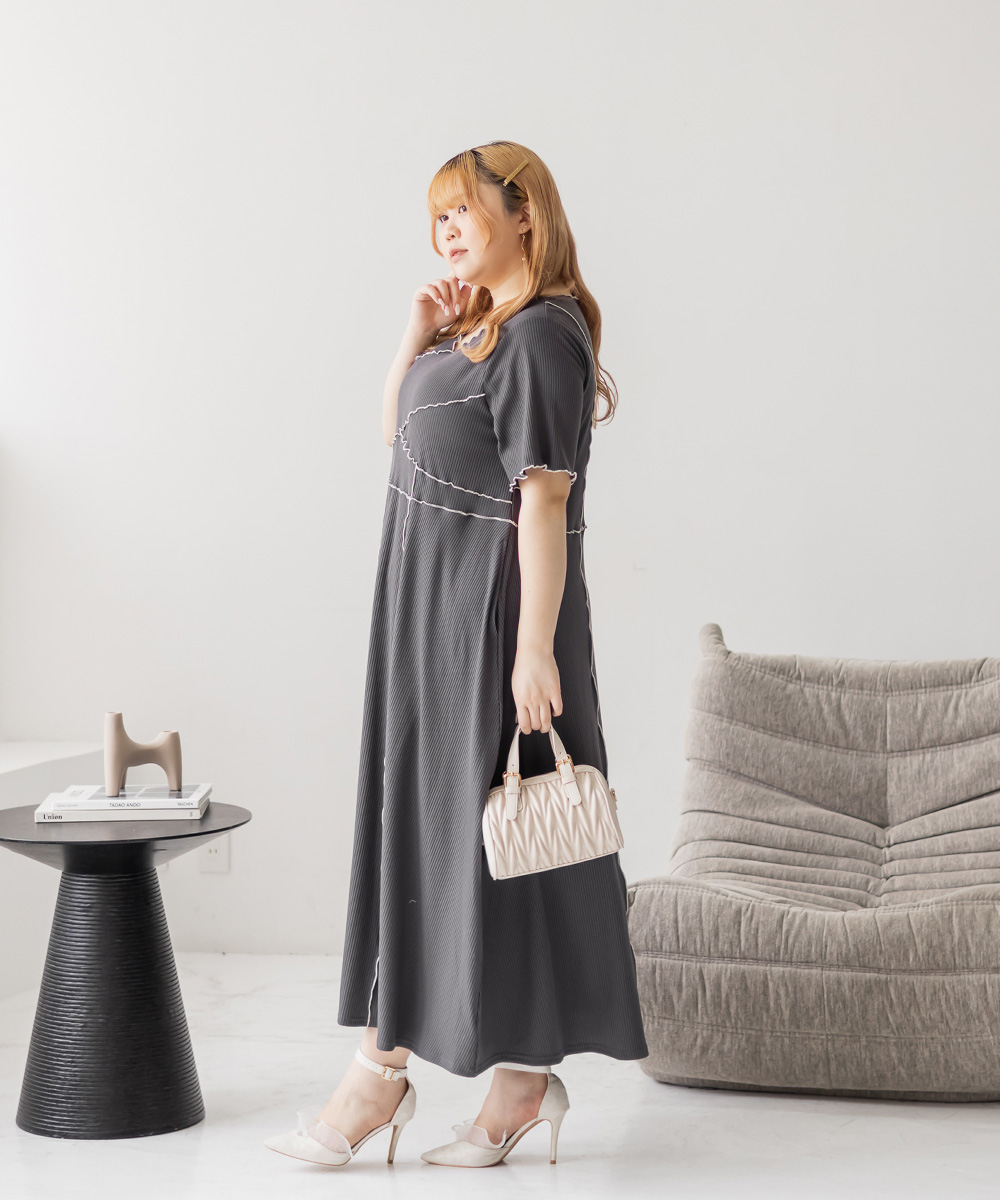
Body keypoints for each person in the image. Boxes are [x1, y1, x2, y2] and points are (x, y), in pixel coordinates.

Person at [265, 140, 648, 1170]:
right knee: (444, 842)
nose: (445, 230)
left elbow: (545, 498)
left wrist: (532, 649)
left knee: (479, 843)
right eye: (435, 215)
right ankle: (516, 1083)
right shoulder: (477, 329)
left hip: (487, 621)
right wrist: (416, 330)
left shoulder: (544, 335)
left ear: (525, 214)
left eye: (463, 209)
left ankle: (378, 1077)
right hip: (424, 619)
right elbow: (396, 434)